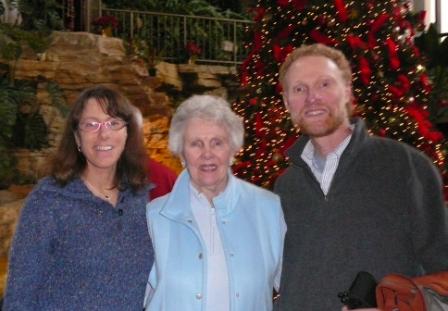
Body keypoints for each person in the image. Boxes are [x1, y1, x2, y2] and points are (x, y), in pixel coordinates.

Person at [274, 43, 448, 311]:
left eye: (324, 84)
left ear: (347, 92)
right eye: (299, 89)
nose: (312, 98)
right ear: (287, 102)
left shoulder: (406, 167)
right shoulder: (285, 187)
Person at [3, 85, 154, 310]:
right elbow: (20, 292)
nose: (104, 133)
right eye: (91, 125)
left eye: (114, 123)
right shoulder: (50, 200)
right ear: (76, 137)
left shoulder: (139, 198)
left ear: (127, 133)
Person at [143, 95, 286, 311]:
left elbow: (297, 287)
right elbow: (129, 294)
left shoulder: (268, 209)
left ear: (232, 150)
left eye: (217, 142)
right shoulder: (154, 216)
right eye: (195, 144)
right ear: (181, 153)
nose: (207, 154)